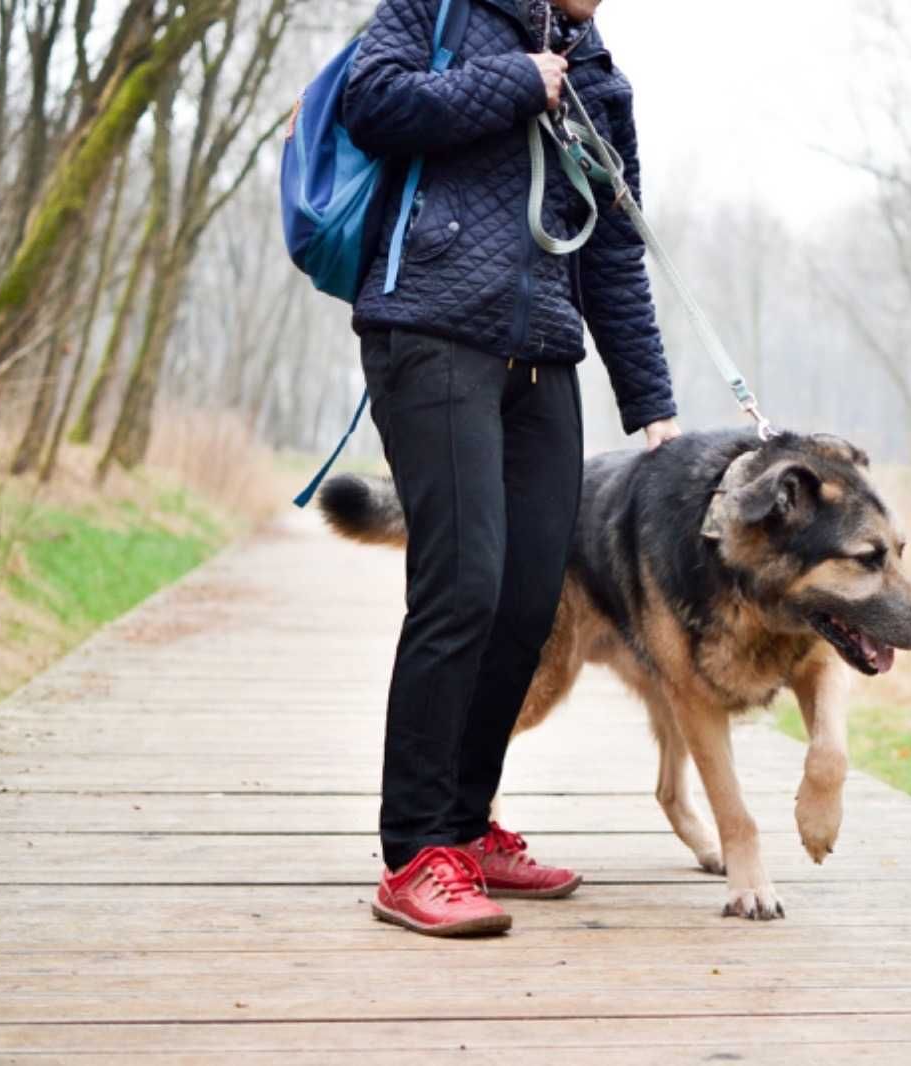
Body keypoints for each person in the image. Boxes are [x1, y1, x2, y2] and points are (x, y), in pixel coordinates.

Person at [342, 0, 680, 937]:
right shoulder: (441, 8)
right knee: (463, 585)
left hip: (545, 354)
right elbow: (371, 103)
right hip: (430, 333)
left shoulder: (600, 78)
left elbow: (614, 251)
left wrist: (651, 405)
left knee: (531, 600)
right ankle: (414, 853)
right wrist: (518, 81)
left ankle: (465, 822)